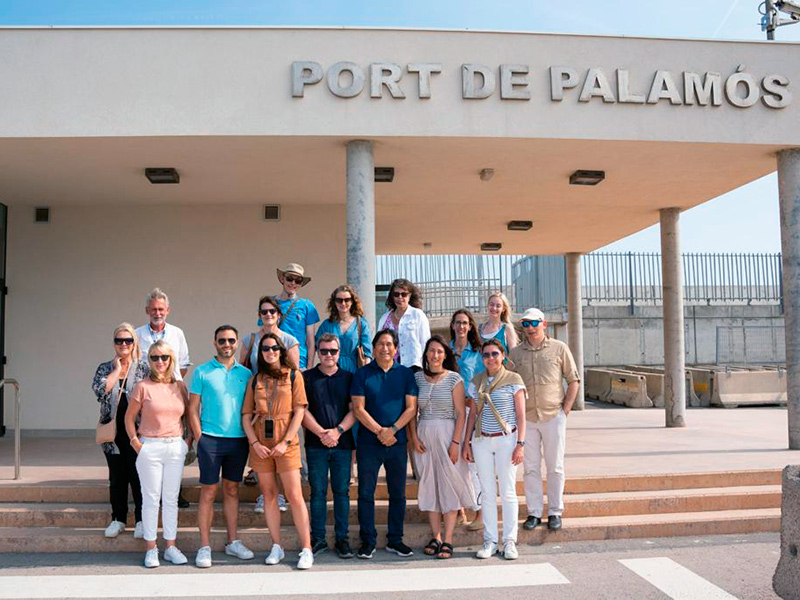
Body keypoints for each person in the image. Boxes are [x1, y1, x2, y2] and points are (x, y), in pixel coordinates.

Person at [242, 333, 314, 570]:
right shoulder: (256, 379)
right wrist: (254, 444)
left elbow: (299, 411)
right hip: (261, 443)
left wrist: (286, 441)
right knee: (269, 495)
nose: (270, 351)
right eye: (265, 348)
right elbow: (245, 416)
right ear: (260, 353)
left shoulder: (294, 375)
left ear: (281, 350)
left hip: (287, 443)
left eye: (274, 347)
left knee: (294, 496)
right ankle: (276, 546)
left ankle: (306, 548)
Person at [188, 325, 254, 568]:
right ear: (215, 343)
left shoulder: (246, 374)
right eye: (222, 340)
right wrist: (198, 437)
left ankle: (232, 542)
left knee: (232, 490)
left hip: (238, 441)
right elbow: (192, 408)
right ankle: (204, 546)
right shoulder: (202, 372)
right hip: (210, 440)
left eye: (231, 340)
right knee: (207, 492)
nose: (227, 344)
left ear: (237, 343)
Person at [509, 308, 580, 533]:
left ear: (544, 324)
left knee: (555, 466)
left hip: (553, 416)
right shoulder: (516, 354)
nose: (529, 328)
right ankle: (534, 512)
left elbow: (573, 379)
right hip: (527, 418)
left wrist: (565, 410)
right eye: (525, 324)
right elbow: (508, 382)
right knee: (530, 468)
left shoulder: (559, 348)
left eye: (533, 323)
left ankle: (555, 512)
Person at [351, 329, 419, 559]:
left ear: (396, 348)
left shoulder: (406, 374)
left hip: (397, 442)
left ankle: (395, 540)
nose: (385, 348)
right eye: (380, 344)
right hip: (369, 443)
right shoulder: (362, 374)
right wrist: (380, 431)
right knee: (365, 493)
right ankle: (367, 541)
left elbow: (411, 408)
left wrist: (393, 430)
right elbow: (358, 409)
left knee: (398, 493)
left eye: (389, 344)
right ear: (375, 346)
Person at [407, 336, 475, 560]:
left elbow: (459, 413)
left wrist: (456, 443)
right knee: (429, 485)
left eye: (439, 351)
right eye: (431, 351)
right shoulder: (417, 378)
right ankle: (435, 536)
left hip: (448, 435)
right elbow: (412, 412)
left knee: (449, 486)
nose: (435, 355)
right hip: (424, 435)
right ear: (425, 354)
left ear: (445, 355)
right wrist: (414, 438)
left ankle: (448, 539)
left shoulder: (454, 379)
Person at [125, 340, 191, 568]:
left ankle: (171, 546)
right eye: (154, 357)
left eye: (164, 357)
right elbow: (129, 418)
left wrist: (187, 442)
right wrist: (136, 443)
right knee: (151, 499)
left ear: (171, 359)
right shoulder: (142, 386)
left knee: (171, 498)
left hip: (175, 446)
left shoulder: (180, 387)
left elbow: (189, 416)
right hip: (149, 447)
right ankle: (151, 549)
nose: (160, 362)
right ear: (149, 361)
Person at [463, 339, 526, 561]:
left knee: (508, 492)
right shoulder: (476, 381)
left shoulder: (513, 380)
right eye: (486, 355)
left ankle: (509, 541)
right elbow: (472, 414)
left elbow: (521, 415)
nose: (490, 358)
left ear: (503, 355)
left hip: (506, 441)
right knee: (487, 493)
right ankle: (489, 540)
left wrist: (520, 444)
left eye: (494, 354)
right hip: (482, 441)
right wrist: (467, 442)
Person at [92, 322, 149, 539]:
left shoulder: (143, 367)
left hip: (138, 432)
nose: (124, 344)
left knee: (138, 476)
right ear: (114, 343)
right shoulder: (105, 368)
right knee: (117, 477)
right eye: (119, 340)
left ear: (134, 342)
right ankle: (118, 519)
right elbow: (100, 391)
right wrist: (117, 370)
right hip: (112, 434)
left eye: (128, 340)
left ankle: (142, 520)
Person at [302, 334, 357, 559]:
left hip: (343, 444)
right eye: (324, 351)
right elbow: (301, 410)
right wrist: (321, 433)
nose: (328, 355)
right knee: (317, 493)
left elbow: (355, 409)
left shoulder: (349, 377)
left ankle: (342, 539)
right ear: (318, 352)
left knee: (342, 492)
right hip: (316, 445)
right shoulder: (306, 378)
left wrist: (337, 431)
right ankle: (318, 539)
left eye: (332, 351)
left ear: (338, 352)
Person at [449, 309, 485, 531]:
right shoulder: (447, 350)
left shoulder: (478, 353)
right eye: (458, 322)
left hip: (470, 412)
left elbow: (482, 382)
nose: (461, 326)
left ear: (470, 326)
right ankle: (459, 509)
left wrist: (474, 400)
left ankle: (481, 512)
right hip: (450, 413)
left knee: (473, 463)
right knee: (453, 463)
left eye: (465, 323)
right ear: (452, 325)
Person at [135, 288, 191, 380]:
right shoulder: (137, 334)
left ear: (167, 310)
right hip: (146, 389)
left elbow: (183, 366)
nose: (157, 313)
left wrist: (169, 382)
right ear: (147, 310)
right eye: (154, 309)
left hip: (171, 388)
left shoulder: (177, 333)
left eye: (161, 309)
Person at [315, 284, 372, 373]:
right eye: (339, 300)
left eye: (347, 300)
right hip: (331, 371)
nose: (343, 303)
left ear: (352, 301)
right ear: (334, 302)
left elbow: (367, 352)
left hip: (354, 371)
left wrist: (366, 373)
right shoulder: (327, 324)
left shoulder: (361, 324)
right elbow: (316, 346)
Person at [377, 279, 430, 372]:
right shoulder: (384, 318)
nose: (400, 297)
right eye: (396, 294)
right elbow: (378, 343)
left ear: (409, 296)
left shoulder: (418, 315)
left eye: (404, 294)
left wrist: (427, 367)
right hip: (389, 367)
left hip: (413, 367)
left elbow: (425, 342)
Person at [274, 263, 320, 370]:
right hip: (274, 361)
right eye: (290, 278)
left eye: (298, 280)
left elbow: (310, 341)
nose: (293, 283)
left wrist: (309, 367)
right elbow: (263, 333)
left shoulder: (307, 305)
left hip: (299, 362)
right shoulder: (270, 303)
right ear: (282, 279)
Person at [241, 296, 301, 373]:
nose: (268, 314)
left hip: (281, 384)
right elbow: (242, 371)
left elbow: (295, 372)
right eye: (264, 312)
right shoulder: (249, 340)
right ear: (260, 315)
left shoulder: (290, 341)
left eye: (272, 311)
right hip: (256, 384)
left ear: (279, 315)